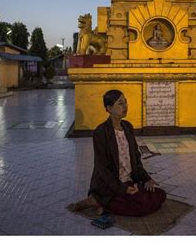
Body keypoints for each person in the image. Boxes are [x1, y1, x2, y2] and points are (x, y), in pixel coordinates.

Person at [71, 89, 166, 217]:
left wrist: (146, 178)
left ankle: (102, 203)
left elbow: (136, 159)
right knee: (141, 207)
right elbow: (102, 168)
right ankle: (97, 200)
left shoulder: (128, 127)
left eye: (126, 102)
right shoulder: (101, 132)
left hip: (129, 180)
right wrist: (123, 189)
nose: (125, 106)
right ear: (109, 108)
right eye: (120, 103)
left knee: (161, 194)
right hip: (110, 184)